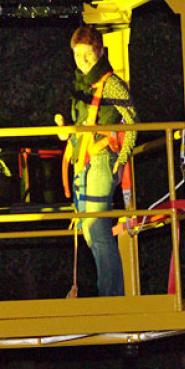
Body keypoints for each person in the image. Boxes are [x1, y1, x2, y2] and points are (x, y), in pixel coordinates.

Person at [54, 25, 137, 297]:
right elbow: (83, 123)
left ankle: (111, 297)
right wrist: (67, 132)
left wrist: (122, 158)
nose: (83, 62)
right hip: (85, 161)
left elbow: (133, 121)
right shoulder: (81, 84)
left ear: (100, 52)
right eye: (78, 56)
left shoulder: (111, 83)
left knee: (96, 226)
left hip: (103, 159)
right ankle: (110, 293)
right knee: (90, 232)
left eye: (88, 56)